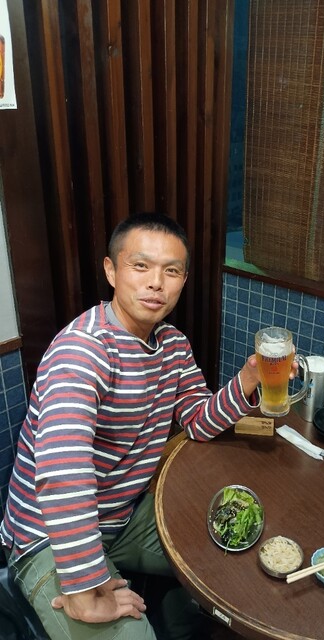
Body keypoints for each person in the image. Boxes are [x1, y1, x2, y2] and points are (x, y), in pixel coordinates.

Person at [0, 212, 292, 640]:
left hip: (119, 518)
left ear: (183, 280)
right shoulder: (83, 350)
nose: (156, 283)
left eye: (170, 271)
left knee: (228, 544)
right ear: (111, 271)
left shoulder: (172, 345)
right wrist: (84, 586)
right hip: (47, 536)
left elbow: (197, 421)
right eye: (141, 266)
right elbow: (63, 474)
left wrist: (249, 377)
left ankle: (180, 615)